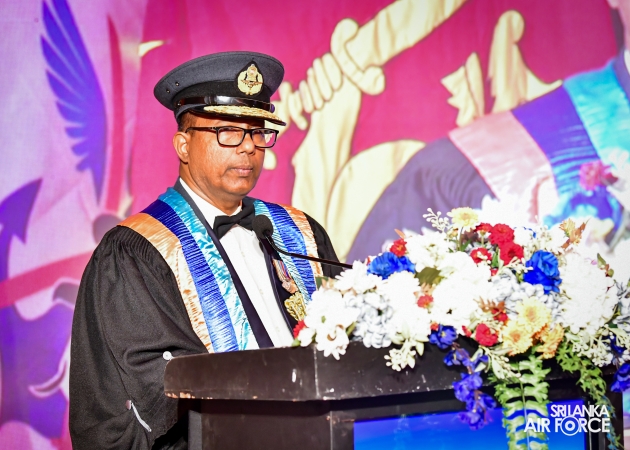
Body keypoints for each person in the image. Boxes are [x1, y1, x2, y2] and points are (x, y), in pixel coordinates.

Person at [69, 51, 342, 450]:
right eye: (228, 131)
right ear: (183, 145)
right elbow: (147, 398)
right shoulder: (136, 253)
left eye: (257, 132)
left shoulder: (301, 233)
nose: (248, 148)